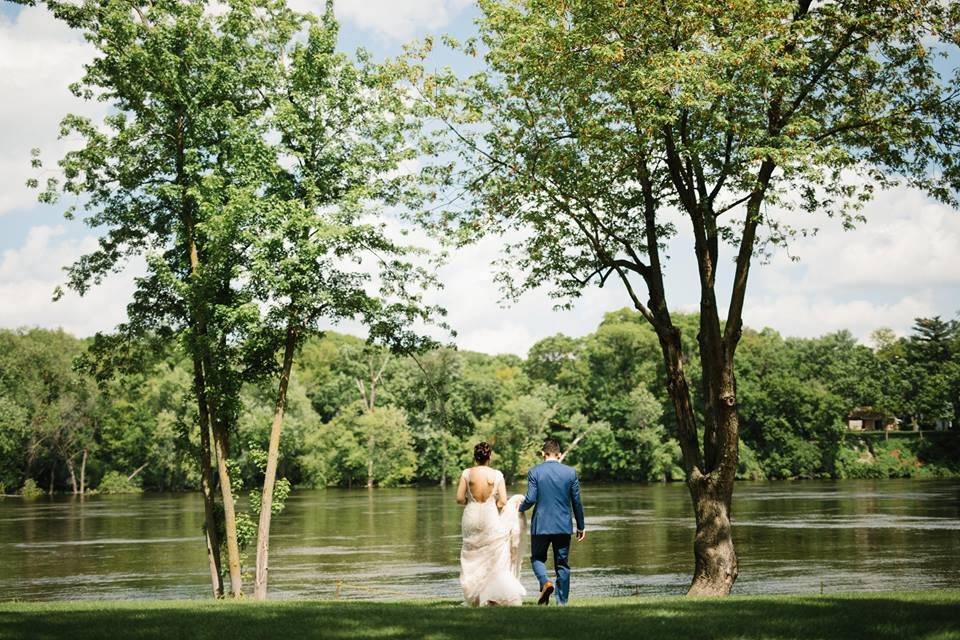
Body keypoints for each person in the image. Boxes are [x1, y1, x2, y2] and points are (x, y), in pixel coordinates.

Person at [456, 442, 527, 606]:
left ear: (475, 457)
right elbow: (502, 502)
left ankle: (475, 597)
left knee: (472, 554)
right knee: (493, 556)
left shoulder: (467, 473)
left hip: (471, 515)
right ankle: (492, 596)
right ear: (489, 456)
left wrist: (471, 502)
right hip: (490, 515)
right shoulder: (497, 475)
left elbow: (459, 499)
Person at [519, 438, 586, 606]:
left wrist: (518, 508)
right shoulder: (570, 472)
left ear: (543, 454)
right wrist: (581, 525)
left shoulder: (535, 471)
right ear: (560, 454)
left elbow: (531, 499)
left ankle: (545, 582)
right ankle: (561, 603)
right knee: (562, 564)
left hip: (541, 525)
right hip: (563, 525)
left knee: (537, 558)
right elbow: (576, 501)